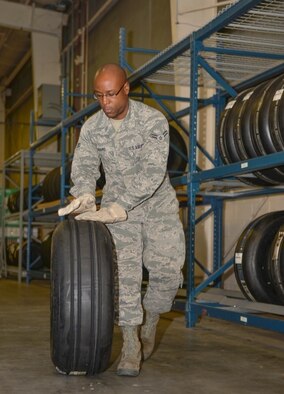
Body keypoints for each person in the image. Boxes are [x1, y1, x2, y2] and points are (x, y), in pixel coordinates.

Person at [58, 63, 185, 377]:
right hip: (117, 211)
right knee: (125, 277)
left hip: (156, 206)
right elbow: (85, 167)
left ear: (126, 88)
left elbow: (154, 172)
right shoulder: (92, 128)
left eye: (111, 94)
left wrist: (123, 205)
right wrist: (86, 194)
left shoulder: (152, 120)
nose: (105, 102)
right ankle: (131, 343)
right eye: (99, 95)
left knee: (167, 272)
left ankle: (151, 322)